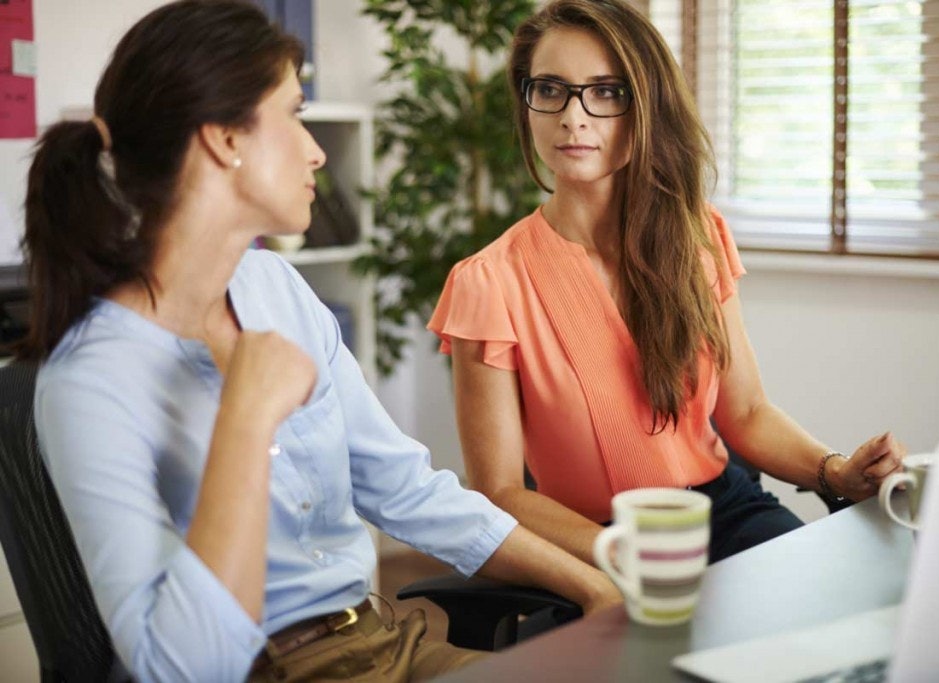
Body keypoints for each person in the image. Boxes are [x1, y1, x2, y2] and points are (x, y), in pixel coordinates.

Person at [18, 2, 619, 681]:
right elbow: (182, 666)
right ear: (224, 138)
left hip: (381, 639)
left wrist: (593, 582)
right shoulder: (89, 379)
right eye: (294, 114)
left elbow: (406, 489)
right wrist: (245, 418)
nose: (317, 150)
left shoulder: (276, 287)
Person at [428, 0, 906, 570]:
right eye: (550, 89)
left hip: (725, 510)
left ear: (646, 107)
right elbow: (500, 493)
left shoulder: (698, 238)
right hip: (598, 540)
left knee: (824, 603)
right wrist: (617, 551)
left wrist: (837, 471)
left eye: (606, 92)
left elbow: (747, 412)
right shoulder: (488, 282)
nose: (572, 117)